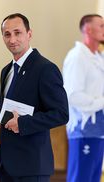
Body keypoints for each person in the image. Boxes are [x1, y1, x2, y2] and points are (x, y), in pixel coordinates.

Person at [0, 13, 69, 182]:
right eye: (7, 34)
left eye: (17, 33)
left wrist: (23, 123)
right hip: (6, 165)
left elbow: (61, 113)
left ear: (29, 34)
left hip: (32, 166)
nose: (12, 39)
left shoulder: (45, 69)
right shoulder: (6, 71)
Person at [62, 14, 104, 182]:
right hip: (83, 130)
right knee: (80, 178)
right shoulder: (77, 56)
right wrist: (101, 101)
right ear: (88, 29)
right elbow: (73, 95)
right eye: (101, 25)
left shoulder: (99, 58)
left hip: (98, 130)